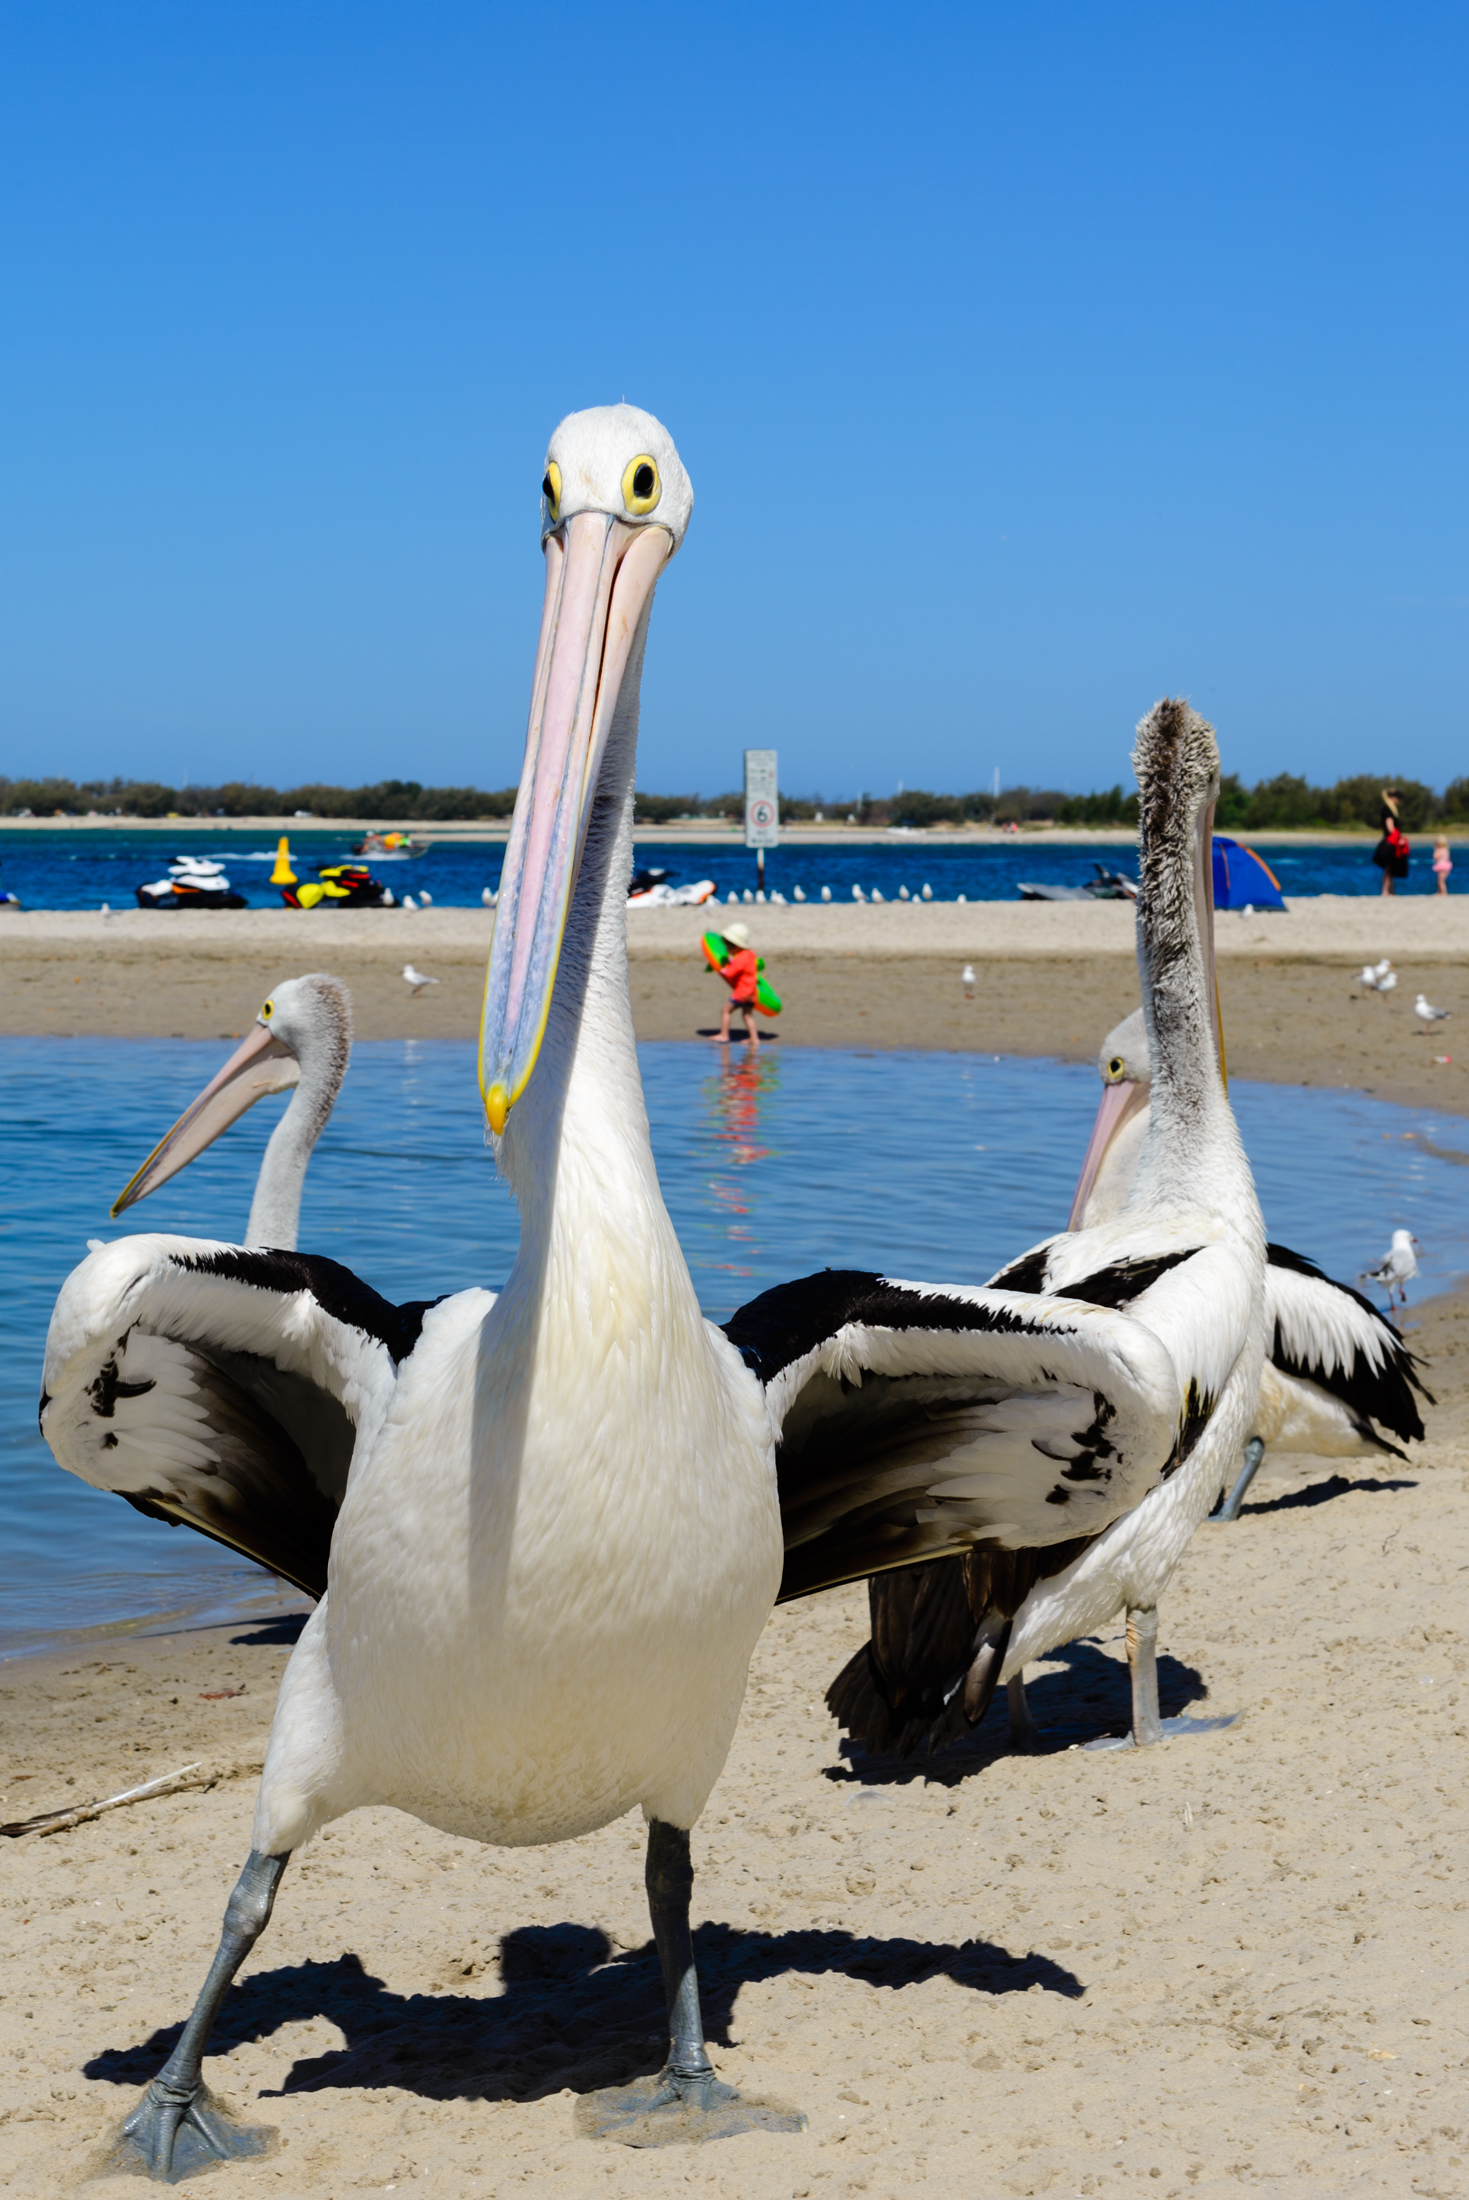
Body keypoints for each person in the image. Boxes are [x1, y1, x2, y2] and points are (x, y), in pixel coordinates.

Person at [713, 921, 762, 1046]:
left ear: (737, 945)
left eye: (730, 946)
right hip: (752, 992)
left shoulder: (740, 958)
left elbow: (730, 973)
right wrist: (731, 959)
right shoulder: (750, 953)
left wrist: (723, 969)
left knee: (725, 1011)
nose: (727, 948)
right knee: (747, 1015)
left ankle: (724, 1035)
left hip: (742, 993)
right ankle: (754, 1039)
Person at [1373, 789, 1410, 897]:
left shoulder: (1390, 809)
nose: (1399, 800)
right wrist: (1399, 838)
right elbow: (1390, 828)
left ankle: (1390, 890)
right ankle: (1386, 890)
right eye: (1398, 798)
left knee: (1390, 867)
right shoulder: (1388, 809)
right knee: (1388, 866)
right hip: (1390, 843)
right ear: (1393, 797)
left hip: (1391, 841)